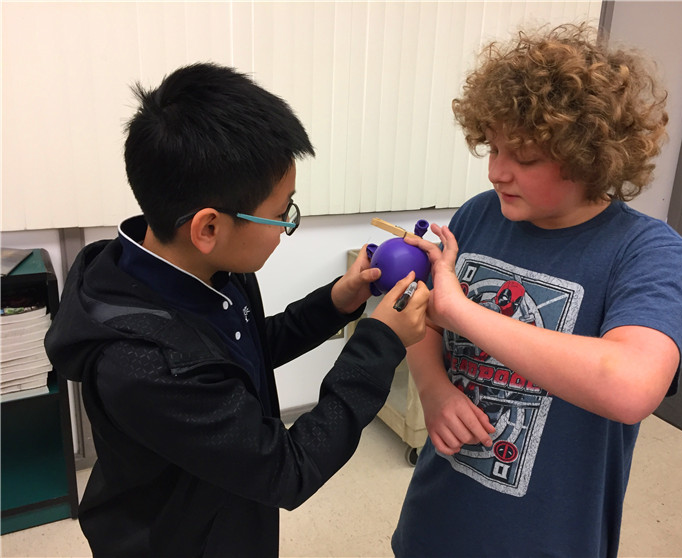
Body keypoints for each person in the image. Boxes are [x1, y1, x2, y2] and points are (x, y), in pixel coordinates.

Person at [44, 62, 429, 557]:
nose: (287, 227)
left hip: (232, 513)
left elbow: (248, 352)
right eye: (280, 214)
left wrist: (338, 301)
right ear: (208, 227)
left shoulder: (212, 269)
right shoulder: (147, 365)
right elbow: (287, 469)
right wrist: (381, 343)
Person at [392, 24, 682, 557]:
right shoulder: (480, 216)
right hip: (435, 524)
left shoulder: (648, 252)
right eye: (493, 148)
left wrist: (461, 312)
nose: (496, 172)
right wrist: (435, 390)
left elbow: (630, 386)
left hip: (549, 538)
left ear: (590, 157)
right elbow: (425, 320)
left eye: (526, 158)